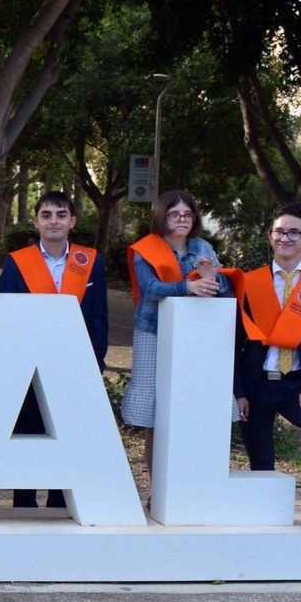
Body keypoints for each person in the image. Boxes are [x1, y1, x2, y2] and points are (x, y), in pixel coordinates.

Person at [232, 201, 301, 533]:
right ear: (270, 236)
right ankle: (267, 513)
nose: (285, 238)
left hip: (299, 385)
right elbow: (234, 342)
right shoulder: (250, 282)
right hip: (257, 384)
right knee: (261, 459)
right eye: (279, 231)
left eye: (294, 233)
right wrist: (238, 391)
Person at [0, 190, 110, 508]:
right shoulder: (18, 262)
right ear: (35, 222)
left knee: (68, 432)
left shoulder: (91, 262)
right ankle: (24, 501)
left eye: (61, 215)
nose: (54, 221)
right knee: (29, 431)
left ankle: (61, 502)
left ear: (73, 221)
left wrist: (96, 361)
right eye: (46, 215)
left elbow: (99, 316)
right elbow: (6, 315)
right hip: (29, 364)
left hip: (75, 363)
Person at [121, 189, 237, 481]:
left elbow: (223, 288)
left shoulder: (204, 248)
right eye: (175, 214)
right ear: (162, 216)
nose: (182, 219)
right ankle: (157, 486)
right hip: (153, 331)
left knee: (193, 404)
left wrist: (212, 279)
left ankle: (192, 482)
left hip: (196, 334)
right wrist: (189, 286)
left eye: (188, 214)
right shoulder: (146, 248)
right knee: (156, 415)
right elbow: (151, 288)